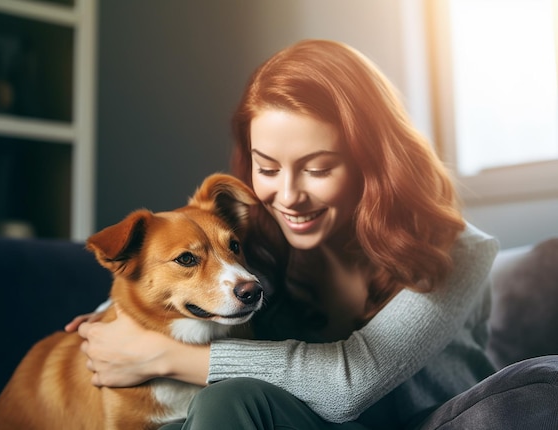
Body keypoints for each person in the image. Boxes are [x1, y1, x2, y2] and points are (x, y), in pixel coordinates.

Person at [65, 40, 554, 429]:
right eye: (267, 167)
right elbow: (163, 281)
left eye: (318, 168)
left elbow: (351, 383)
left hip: (430, 422)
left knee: (230, 394)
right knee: (215, 407)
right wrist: (111, 320)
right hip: (310, 422)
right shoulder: (253, 242)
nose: (288, 196)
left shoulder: (457, 249)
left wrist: (164, 355)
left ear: (373, 162)